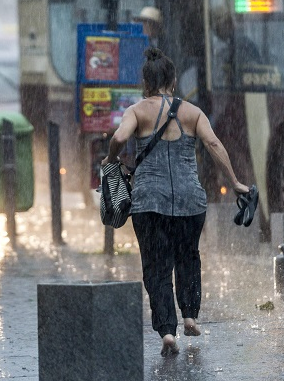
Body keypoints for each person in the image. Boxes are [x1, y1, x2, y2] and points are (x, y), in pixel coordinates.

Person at [101, 47, 250, 356]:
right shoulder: (192, 112)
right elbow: (213, 143)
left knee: (156, 267)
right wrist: (235, 181)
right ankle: (190, 315)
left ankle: (167, 332)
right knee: (187, 258)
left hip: (148, 202)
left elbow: (118, 138)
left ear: (145, 81)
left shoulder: (137, 111)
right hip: (189, 202)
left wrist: (111, 158)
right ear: (173, 79)